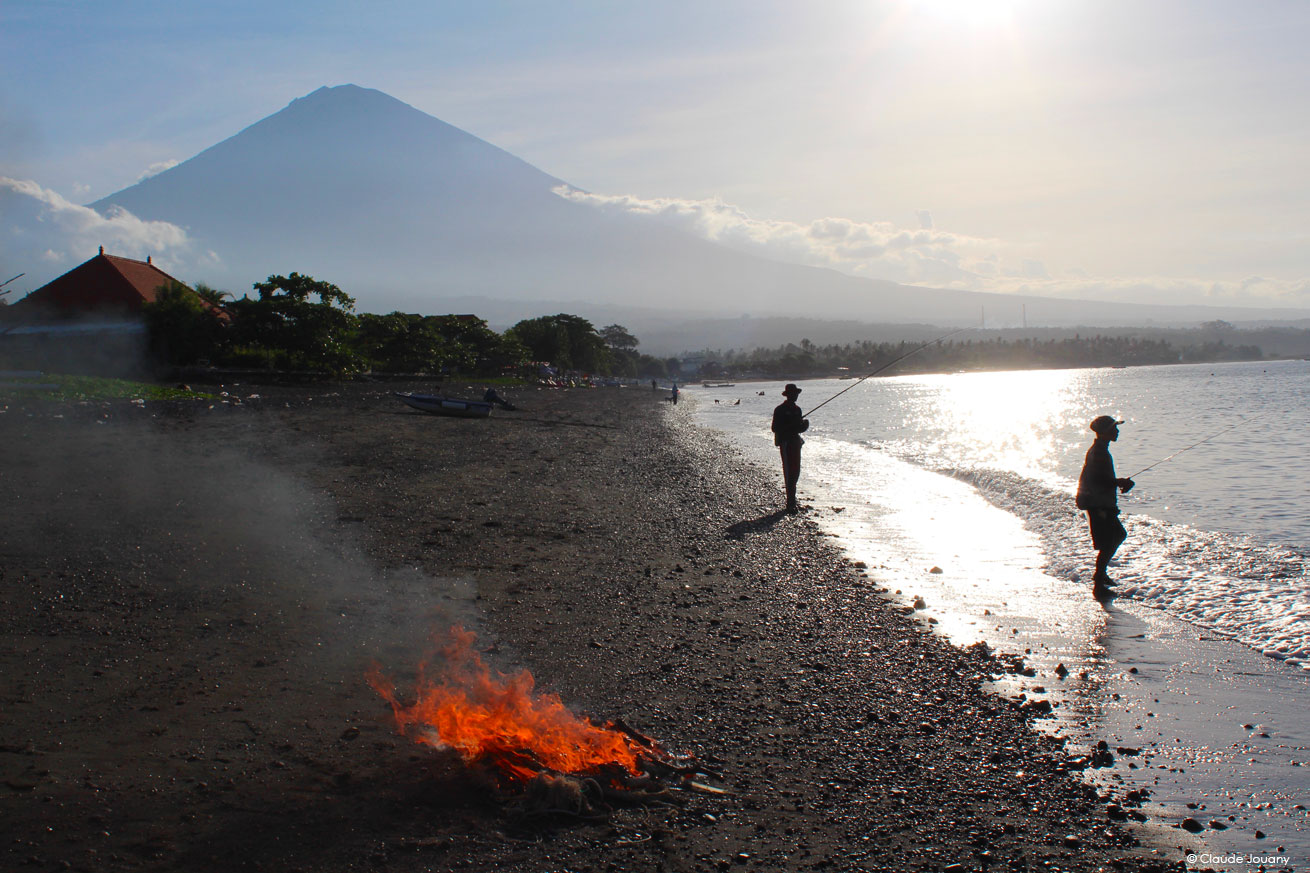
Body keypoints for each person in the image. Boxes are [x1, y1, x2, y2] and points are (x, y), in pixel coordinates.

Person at [1076, 415, 1135, 598]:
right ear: (1105, 432)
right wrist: (1120, 482)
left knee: (1114, 537)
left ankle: (1100, 575)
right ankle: (1099, 581)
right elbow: (1099, 479)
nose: (1117, 431)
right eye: (1114, 428)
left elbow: (1101, 478)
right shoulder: (1099, 452)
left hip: (1099, 502)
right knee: (1112, 539)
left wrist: (1118, 482)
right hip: (1097, 504)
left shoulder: (1100, 450)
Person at [771, 383, 809, 513]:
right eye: (793, 394)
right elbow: (774, 428)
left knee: (796, 471)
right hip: (786, 443)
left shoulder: (798, 410)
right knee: (788, 472)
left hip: (795, 443)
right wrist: (790, 425)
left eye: (796, 394)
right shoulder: (780, 410)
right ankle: (790, 503)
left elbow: (799, 429)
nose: (795, 396)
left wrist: (804, 426)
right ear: (788, 395)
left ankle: (792, 500)